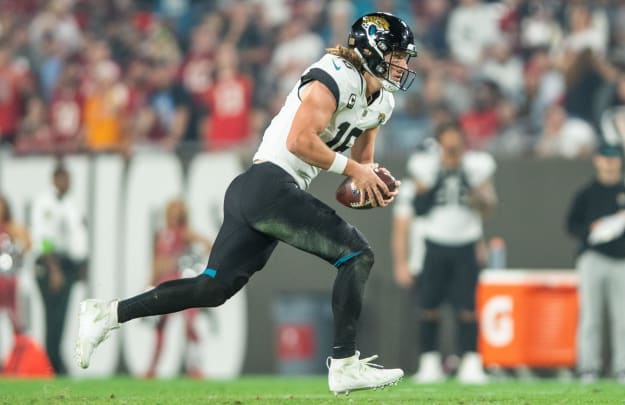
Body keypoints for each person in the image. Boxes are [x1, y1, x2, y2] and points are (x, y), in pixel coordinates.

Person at [75, 12, 417, 395]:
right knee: (357, 254)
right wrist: (356, 169)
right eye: (397, 55)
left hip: (261, 192)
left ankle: (108, 313)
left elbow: (360, 165)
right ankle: (344, 365)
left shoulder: (381, 102)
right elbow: (299, 142)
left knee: (211, 289)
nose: (402, 65)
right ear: (371, 49)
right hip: (268, 183)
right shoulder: (335, 73)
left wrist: (370, 181)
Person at [392, 122, 497, 384]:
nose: (452, 148)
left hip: (466, 241)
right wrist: (441, 173)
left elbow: (487, 206)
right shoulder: (424, 165)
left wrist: (471, 185)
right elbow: (420, 205)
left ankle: (471, 361)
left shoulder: (477, 166)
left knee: (467, 307)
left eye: (456, 142)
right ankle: (429, 361)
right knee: (429, 306)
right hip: (435, 241)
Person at [566, 144, 625, 384]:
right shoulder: (586, 193)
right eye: (605, 158)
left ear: (620, 162)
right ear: (597, 161)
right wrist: (592, 231)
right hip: (593, 258)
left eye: (614, 159)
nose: (610, 163)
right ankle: (588, 367)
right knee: (591, 316)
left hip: (623, 261)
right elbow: (571, 225)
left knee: (623, 317)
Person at [32, 162, 89, 375]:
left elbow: (78, 236)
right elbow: (44, 238)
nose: (68, 182)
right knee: (53, 316)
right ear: (55, 178)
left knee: (62, 316)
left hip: (68, 265)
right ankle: (52, 362)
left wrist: (81, 265)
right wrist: (54, 270)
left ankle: (55, 361)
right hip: (50, 265)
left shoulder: (70, 203)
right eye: (65, 178)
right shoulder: (46, 203)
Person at [145, 199, 212, 379]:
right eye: (172, 212)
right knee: (160, 326)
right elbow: (156, 262)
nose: (174, 216)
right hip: (163, 284)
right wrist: (149, 284)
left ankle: (195, 366)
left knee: (190, 324)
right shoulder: (160, 234)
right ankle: (152, 368)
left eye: (178, 213)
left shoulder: (184, 232)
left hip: (182, 283)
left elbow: (208, 243)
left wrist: (194, 262)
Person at [0, 194, 32, 336]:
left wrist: (18, 252)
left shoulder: (12, 228)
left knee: (16, 321)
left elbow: (27, 243)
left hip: (11, 282)